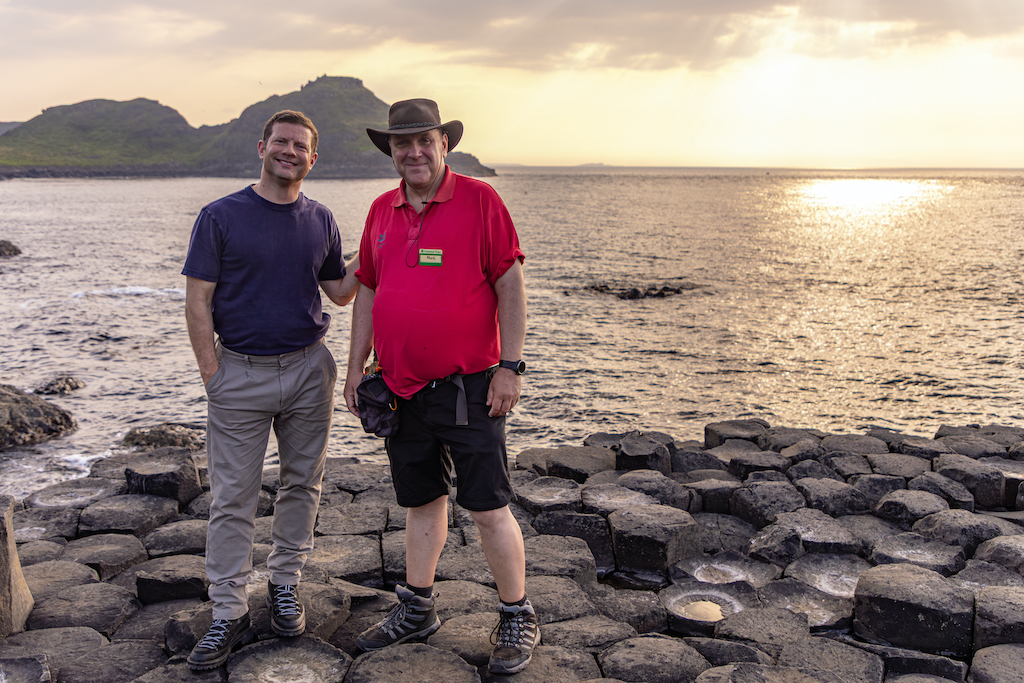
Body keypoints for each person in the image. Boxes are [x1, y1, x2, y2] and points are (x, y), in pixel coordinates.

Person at [343, 99, 536, 675]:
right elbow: (368, 294)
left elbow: (511, 285)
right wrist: (355, 368)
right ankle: (418, 608)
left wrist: (511, 366)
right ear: (392, 152)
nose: (414, 152)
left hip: (471, 386)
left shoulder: (481, 200)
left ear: (443, 144)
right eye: (403, 144)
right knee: (420, 501)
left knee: (487, 505)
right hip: (400, 388)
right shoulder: (382, 209)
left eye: (424, 140)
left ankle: (517, 612)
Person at [182, 110, 359, 671]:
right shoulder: (220, 216)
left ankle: (285, 585)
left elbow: (340, 291)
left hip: (310, 370)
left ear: (313, 158)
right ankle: (228, 611)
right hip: (239, 374)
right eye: (280, 142)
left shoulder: (321, 219)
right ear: (262, 148)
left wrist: (384, 246)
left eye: (300, 146)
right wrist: (214, 375)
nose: (289, 152)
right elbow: (198, 301)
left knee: (302, 483)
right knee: (232, 499)